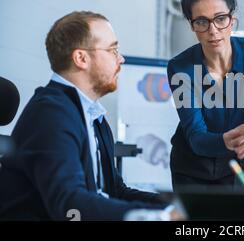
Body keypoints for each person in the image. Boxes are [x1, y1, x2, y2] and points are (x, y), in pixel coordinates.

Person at [0, 11, 169, 221]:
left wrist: (171, 208)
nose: (121, 59)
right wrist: (163, 218)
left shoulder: (93, 116)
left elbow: (115, 191)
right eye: (113, 50)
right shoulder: (51, 113)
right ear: (81, 58)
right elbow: (70, 206)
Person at [167, 0, 244, 192]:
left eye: (220, 18)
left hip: (240, 163)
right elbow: (196, 136)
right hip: (191, 169)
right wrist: (226, 141)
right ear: (192, 25)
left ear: (232, 18)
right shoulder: (180, 68)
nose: (213, 30)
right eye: (201, 22)